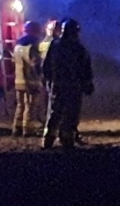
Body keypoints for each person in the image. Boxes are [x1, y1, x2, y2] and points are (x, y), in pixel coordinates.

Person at [40, 17, 93, 149]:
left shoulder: (54, 45)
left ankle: (48, 139)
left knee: (54, 112)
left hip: (57, 85)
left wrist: (49, 80)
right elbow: (85, 68)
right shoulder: (79, 48)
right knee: (71, 113)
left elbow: (46, 66)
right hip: (74, 86)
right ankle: (67, 138)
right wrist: (87, 83)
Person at [9, 20, 43, 137]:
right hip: (31, 81)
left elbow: (14, 62)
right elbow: (35, 64)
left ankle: (16, 128)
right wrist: (41, 76)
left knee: (20, 105)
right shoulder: (32, 47)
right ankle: (27, 130)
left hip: (19, 81)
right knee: (30, 106)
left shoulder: (17, 47)